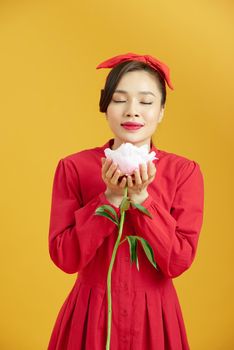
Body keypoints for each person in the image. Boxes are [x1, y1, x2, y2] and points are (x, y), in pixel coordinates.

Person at [47, 52, 204, 350]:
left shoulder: (184, 172)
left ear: (161, 112)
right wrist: (110, 198)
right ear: (104, 106)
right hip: (90, 315)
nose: (132, 111)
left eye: (146, 102)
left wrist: (143, 198)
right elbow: (65, 257)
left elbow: (178, 261)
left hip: (155, 317)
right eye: (120, 100)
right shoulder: (74, 168)